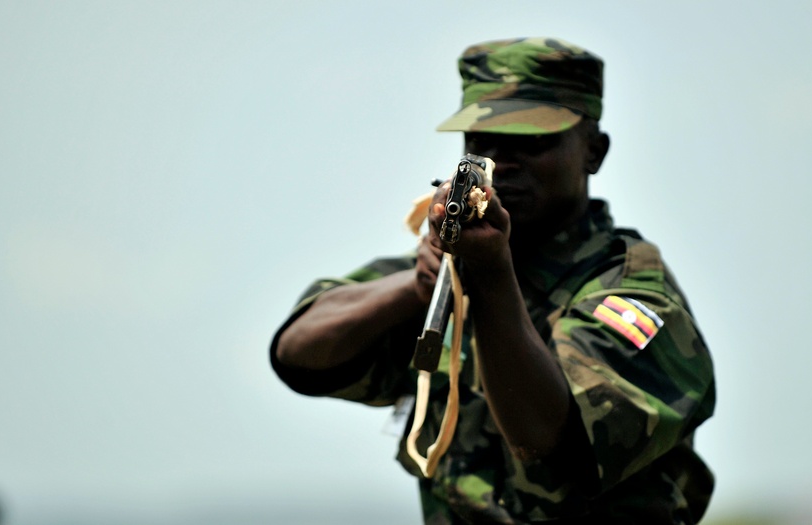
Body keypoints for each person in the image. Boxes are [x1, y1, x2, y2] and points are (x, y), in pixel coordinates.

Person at [270, 37, 715, 524]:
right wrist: (418, 287)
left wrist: (489, 276)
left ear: (594, 151)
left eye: (535, 141)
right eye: (483, 144)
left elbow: (546, 435)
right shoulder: (450, 268)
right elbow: (298, 353)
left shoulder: (630, 292)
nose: (501, 165)